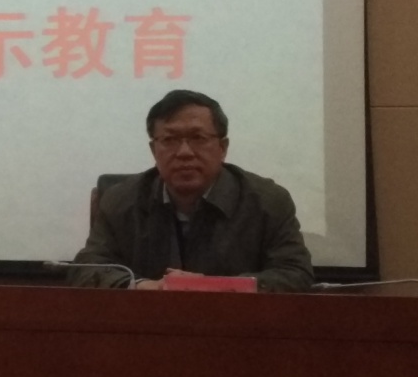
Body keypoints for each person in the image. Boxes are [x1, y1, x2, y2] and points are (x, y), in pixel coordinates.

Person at [70, 89, 313, 292]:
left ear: (223, 147)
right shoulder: (120, 200)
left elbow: (294, 274)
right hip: (147, 325)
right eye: (170, 140)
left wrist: (215, 287)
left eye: (198, 138)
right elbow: (87, 268)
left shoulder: (267, 202)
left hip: (234, 327)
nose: (184, 152)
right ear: (154, 150)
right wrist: (141, 286)